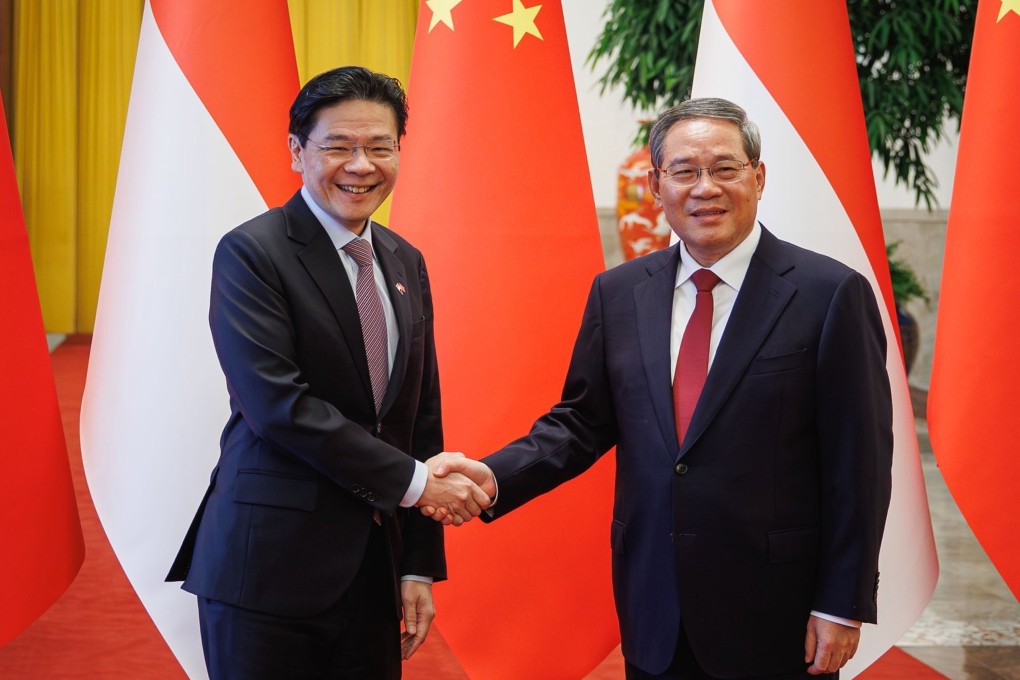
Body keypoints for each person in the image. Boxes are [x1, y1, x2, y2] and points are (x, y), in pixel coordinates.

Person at [428, 98, 893, 679]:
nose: (706, 188)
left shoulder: (828, 294)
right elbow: (581, 422)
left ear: (758, 176)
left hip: (777, 610)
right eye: (685, 171)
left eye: (725, 168)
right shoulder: (620, 293)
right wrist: (494, 476)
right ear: (655, 184)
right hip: (655, 605)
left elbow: (860, 465)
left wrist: (840, 603)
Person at [166, 66, 490, 680]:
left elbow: (418, 412)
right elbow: (278, 406)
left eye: (379, 147)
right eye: (338, 146)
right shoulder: (252, 253)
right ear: (297, 151)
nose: (360, 165)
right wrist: (420, 486)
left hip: (372, 570)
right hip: (268, 567)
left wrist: (417, 564)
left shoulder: (403, 259)